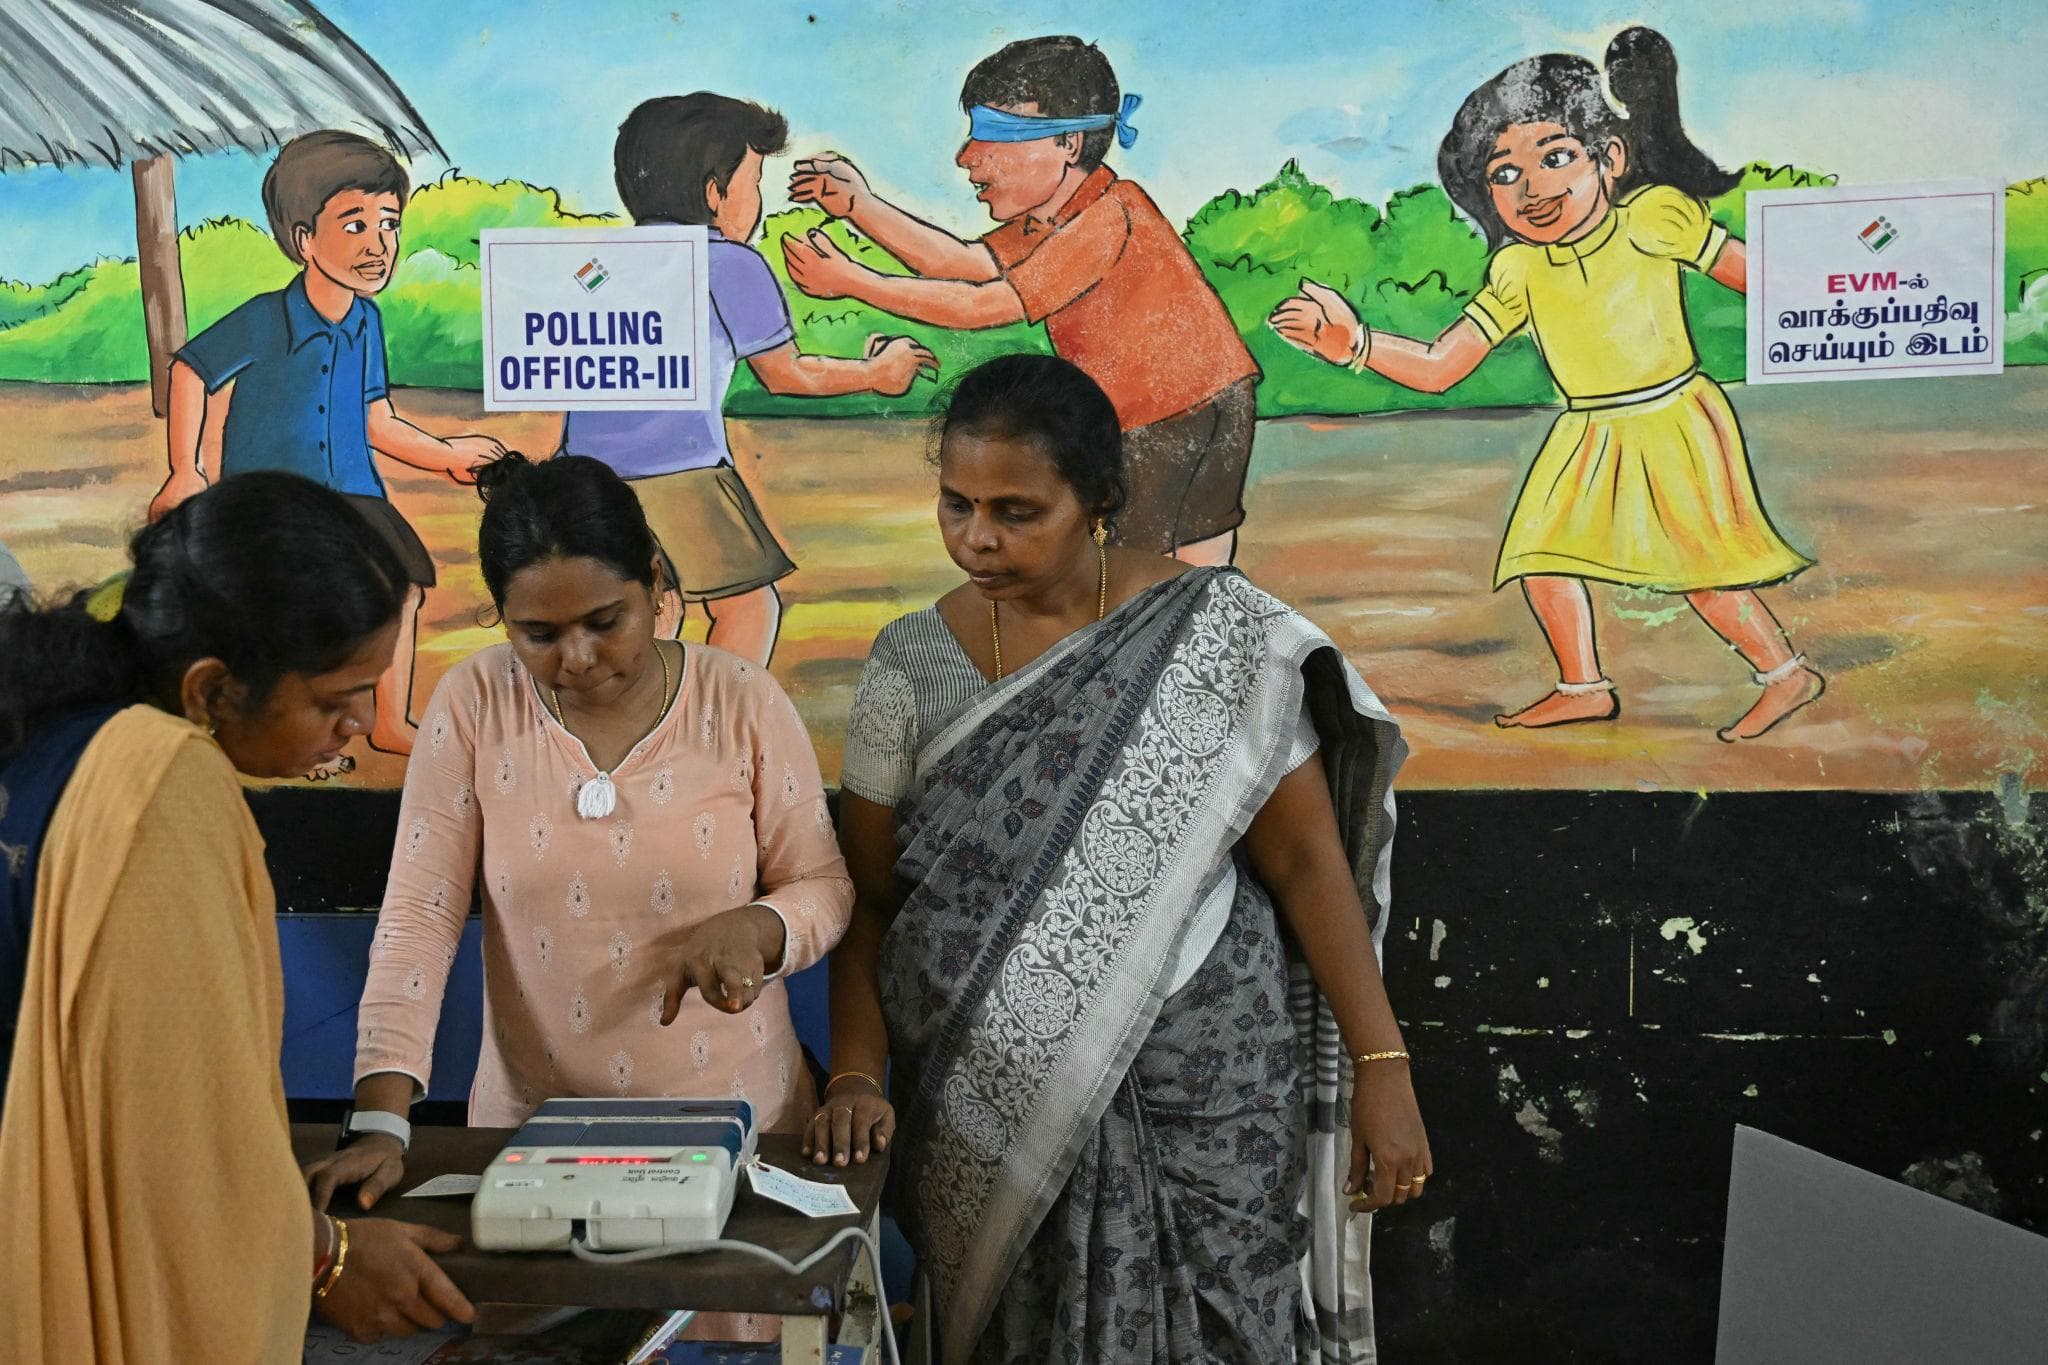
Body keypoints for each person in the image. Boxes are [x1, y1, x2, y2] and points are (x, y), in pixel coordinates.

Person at [810, 354, 1430, 1363]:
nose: (977, 537)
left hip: (1208, 1090)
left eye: (1017, 510)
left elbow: (1311, 862)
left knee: (1227, 1326)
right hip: (990, 1113)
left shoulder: (1217, 635)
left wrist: (1382, 1067)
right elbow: (872, 906)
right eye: (955, 504)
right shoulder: (908, 664)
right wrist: (852, 1076)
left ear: (1095, 502)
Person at [302, 453, 853, 1341]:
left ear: (657, 585)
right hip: (533, 1148)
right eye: (539, 634)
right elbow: (418, 916)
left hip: (738, 1134)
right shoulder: (475, 701)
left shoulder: (740, 699)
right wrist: (380, 1119)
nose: (580, 658)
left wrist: (763, 924)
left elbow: (822, 885)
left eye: (607, 620)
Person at [0, 474, 476, 1359]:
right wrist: (325, 1258)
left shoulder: (47, 734)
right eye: (336, 699)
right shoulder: (163, 785)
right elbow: (177, 1130)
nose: (362, 724)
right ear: (213, 689)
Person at [1269, 27, 1822, 742]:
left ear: (1610, 157)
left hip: (1672, 419)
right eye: (1504, 174)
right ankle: (1582, 685)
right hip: (1587, 428)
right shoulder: (1518, 271)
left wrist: (1852, 295)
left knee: (1703, 571)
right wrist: (1357, 346)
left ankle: (1786, 675)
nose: (1533, 189)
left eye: (1556, 158)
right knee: (1540, 554)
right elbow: (1443, 365)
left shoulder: (1655, 219)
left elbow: (1764, 279)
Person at [784, 35, 1260, 566]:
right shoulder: (1056, 215)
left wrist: (853, 281)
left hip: (1174, 410)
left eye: (996, 135)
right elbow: (960, 262)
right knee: (1188, 560)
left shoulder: (1106, 216)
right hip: (1196, 401)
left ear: (1069, 145)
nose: (967, 157)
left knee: (1140, 569)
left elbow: (981, 306)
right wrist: (859, 206)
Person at [149, 130, 508, 760]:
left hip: (352, 490)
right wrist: (186, 470)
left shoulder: (367, 321)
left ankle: (388, 722)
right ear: (303, 239)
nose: (378, 244)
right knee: (288, 612)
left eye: (388, 224)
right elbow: (190, 370)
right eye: (355, 224)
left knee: (404, 584)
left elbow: (377, 419)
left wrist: (447, 454)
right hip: (276, 500)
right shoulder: (265, 317)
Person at [561, 94, 937, 665]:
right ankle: (719, 717)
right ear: (715, 193)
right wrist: (877, 375)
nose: (756, 202)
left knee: (651, 611)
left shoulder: (592, 263)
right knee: (749, 607)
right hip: (682, 475)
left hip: (584, 478)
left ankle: (643, 722)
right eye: (753, 181)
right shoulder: (730, 264)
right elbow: (787, 374)